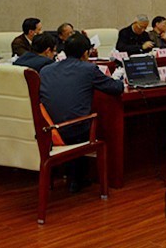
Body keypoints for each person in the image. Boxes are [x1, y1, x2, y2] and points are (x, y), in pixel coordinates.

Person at [40, 32, 125, 192]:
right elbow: (116, 88)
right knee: (96, 124)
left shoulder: (45, 70)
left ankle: (69, 175)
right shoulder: (88, 69)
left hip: (47, 129)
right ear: (86, 53)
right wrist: (119, 78)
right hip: (73, 130)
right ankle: (77, 179)